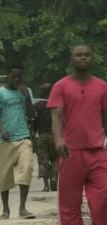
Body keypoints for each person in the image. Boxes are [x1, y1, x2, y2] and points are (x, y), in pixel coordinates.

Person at [48, 45, 107, 225]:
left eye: (87, 55)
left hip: (98, 152)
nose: (83, 58)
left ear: (92, 58)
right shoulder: (60, 86)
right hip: (70, 152)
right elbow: (56, 115)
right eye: (79, 55)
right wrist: (59, 139)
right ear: (72, 59)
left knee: (102, 201)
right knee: (69, 205)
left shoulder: (102, 86)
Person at [0, 63, 36, 220]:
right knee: (4, 176)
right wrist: (2, 129)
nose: (17, 79)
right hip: (5, 141)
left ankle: (23, 208)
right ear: (8, 76)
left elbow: (32, 115)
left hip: (24, 138)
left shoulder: (26, 91)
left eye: (19, 76)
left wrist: (27, 97)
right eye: (14, 76)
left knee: (27, 169)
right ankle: (5, 209)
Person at [33, 83, 58, 192]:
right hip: (54, 136)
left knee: (43, 160)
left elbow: (34, 122)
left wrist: (33, 134)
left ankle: (46, 185)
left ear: (43, 92)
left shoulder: (37, 106)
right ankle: (54, 177)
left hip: (42, 136)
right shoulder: (56, 105)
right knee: (56, 159)